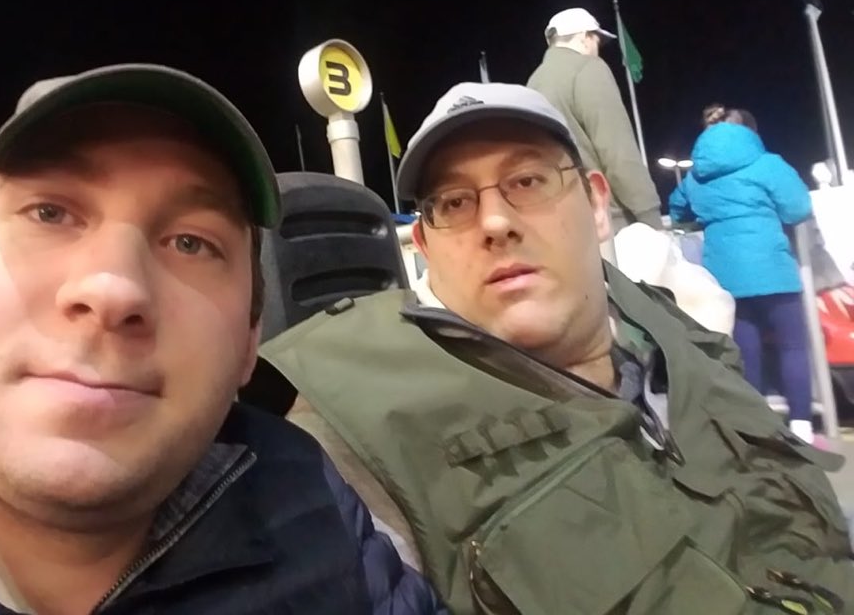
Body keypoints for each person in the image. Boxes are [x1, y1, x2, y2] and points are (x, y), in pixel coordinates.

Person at [0, 63, 444, 615]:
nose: (114, 288)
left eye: (191, 243)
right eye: (49, 212)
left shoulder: (310, 500)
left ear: (248, 342)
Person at [261, 82, 854, 614]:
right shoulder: (358, 439)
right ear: (425, 245)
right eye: (455, 203)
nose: (495, 222)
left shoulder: (681, 332)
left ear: (596, 204)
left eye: (528, 181)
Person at [670, 104, 817, 444]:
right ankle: (803, 428)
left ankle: (757, 429)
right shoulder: (767, 163)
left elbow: (677, 210)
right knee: (793, 348)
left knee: (745, 353)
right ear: (750, 132)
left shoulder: (696, 176)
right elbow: (798, 209)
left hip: (725, 276)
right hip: (773, 270)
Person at [526, 7, 662, 242]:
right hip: (609, 224)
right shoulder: (588, 68)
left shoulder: (533, 84)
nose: (597, 50)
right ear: (585, 37)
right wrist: (650, 216)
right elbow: (617, 151)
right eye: (597, 41)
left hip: (559, 224)